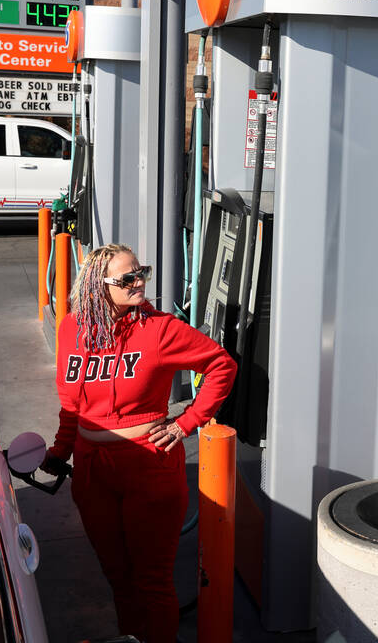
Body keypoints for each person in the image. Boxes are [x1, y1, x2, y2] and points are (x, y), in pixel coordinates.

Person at [41, 244, 236, 643]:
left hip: (150, 467)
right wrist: (60, 450)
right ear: (99, 285)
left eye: (141, 271)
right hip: (93, 470)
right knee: (118, 578)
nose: (140, 281)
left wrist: (187, 423)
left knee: (152, 581)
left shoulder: (160, 329)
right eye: (127, 278)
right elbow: (70, 403)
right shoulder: (71, 328)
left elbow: (221, 365)